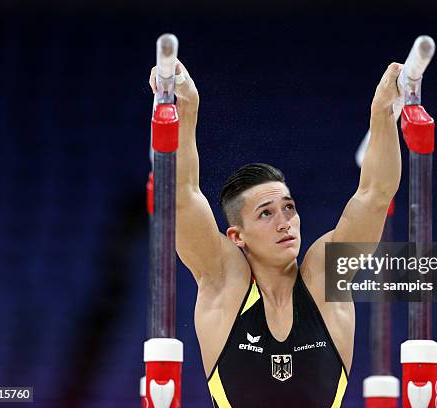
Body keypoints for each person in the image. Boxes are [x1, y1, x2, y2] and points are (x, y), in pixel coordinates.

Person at [149, 59, 402, 407]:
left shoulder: (323, 279)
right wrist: (188, 107)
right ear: (237, 236)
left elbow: (375, 196)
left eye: (289, 208)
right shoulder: (225, 282)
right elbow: (181, 198)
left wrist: (383, 111)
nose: (285, 221)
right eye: (266, 213)